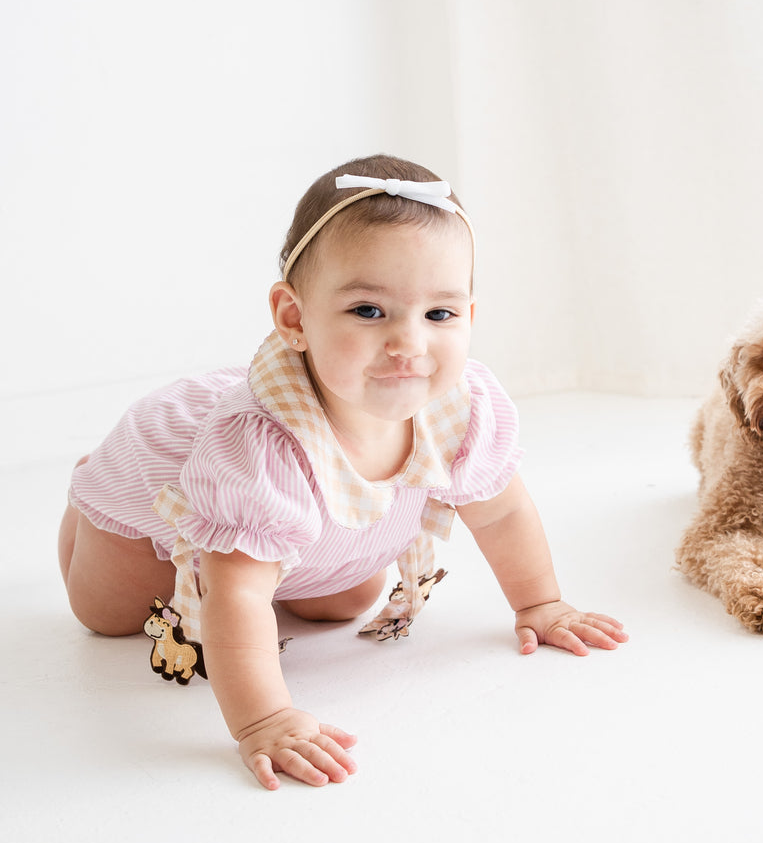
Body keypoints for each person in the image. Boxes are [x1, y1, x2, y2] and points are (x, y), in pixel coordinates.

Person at [59, 155, 628, 790]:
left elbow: (500, 510)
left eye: (439, 315)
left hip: (307, 523)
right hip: (145, 496)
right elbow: (238, 595)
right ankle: (86, 502)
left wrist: (541, 603)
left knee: (349, 601)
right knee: (106, 616)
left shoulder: (462, 406)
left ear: (470, 314)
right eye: (368, 311)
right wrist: (265, 720)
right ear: (294, 318)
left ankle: (272, 551)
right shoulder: (261, 444)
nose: (408, 343)